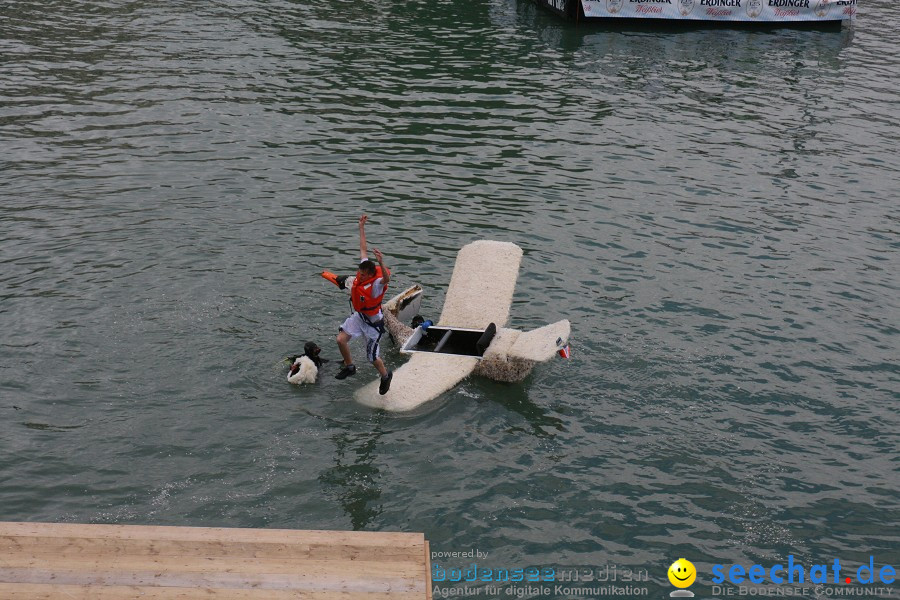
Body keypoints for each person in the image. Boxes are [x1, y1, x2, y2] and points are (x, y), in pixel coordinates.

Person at [335, 215, 393, 395]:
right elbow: (363, 249)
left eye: (362, 274)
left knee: (372, 358)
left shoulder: (376, 285)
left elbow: (386, 278)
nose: (358, 276)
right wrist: (361, 227)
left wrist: (382, 262)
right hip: (360, 317)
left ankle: (385, 376)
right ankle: (350, 366)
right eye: (359, 273)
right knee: (340, 339)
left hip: (373, 325)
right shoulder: (363, 271)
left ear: (370, 275)